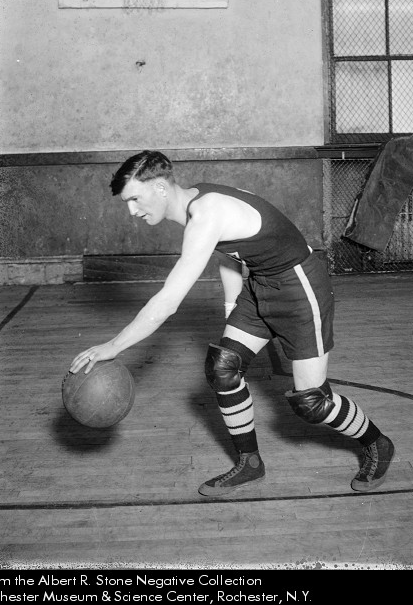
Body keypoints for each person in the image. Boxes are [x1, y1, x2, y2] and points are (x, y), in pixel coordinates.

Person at [70, 150, 395, 497]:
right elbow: (230, 252)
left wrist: (112, 346)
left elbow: (167, 302)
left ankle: (377, 443)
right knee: (223, 367)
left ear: (161, 188)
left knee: (312, 402)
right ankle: (249, 463)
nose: (132, 211)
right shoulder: (198, 199)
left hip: (300, 289)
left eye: (134, 199)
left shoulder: (205, 214)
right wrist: (232, 309)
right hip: (261, 284)